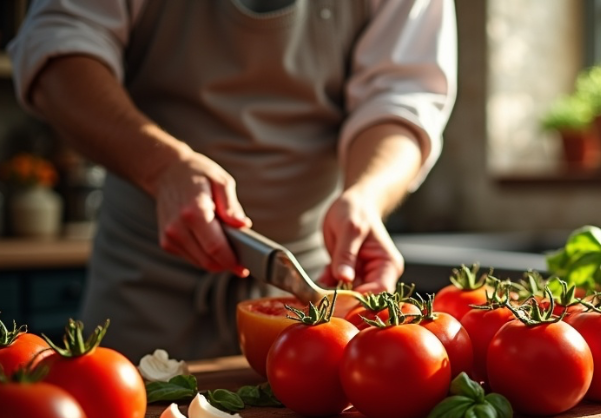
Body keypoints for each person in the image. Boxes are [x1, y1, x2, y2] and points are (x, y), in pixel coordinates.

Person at [8, 0, 457, 361]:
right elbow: (57, 48)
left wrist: (366, 195)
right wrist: (162, 166)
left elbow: (403, 94)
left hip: (308, 291)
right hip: (143, 283)